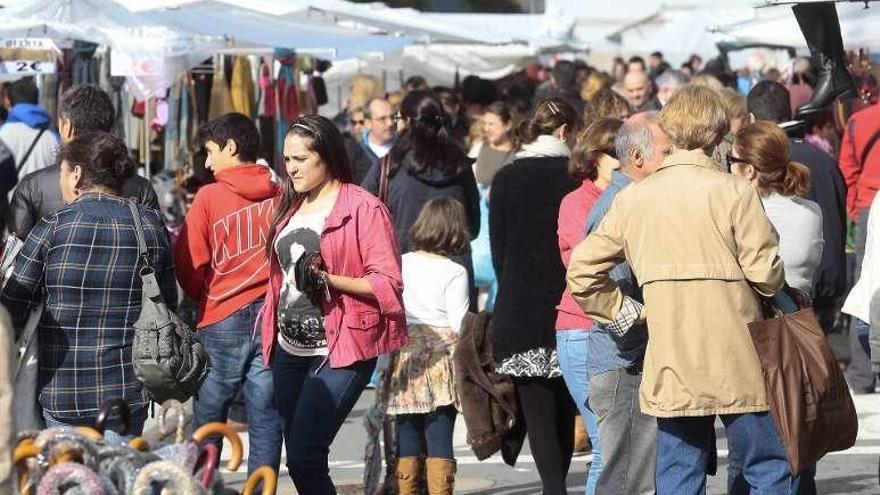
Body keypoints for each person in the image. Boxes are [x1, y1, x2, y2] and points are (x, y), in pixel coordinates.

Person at [568, 86, 792, 494]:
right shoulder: (734, 191)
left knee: (678, 473)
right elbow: (766, 275)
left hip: (671, 355)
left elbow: (581, 272)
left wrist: (626, 313)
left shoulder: (636, 197)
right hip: (737, 352)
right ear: (717, 130)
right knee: (768, 466)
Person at [261, 114, 408, 493]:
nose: (291, 168)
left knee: (304, 455)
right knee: (302, 460)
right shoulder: (290, 206)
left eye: (300, 159)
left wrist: (329, 280)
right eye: (287, 159)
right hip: (289, 351)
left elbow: (388, 283)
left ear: (325, 156)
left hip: (342, 349)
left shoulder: (363, 207)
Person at [1, 131, 176, 443]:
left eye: (63, 172)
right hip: (128, 389)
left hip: (61, 388)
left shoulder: (52, 228)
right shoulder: (149, 226)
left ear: (77, 174)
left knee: (69, 479)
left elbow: (13, 304)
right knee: (120, 478)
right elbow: (168, 304)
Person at [174, 113, 283, 475]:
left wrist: (202, 296)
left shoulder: (210, 196)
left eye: (210, 152)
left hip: (222, 315)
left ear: (231, 147)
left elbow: (189, 262)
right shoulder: (280, 191)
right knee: (266, 414)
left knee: (209, 414)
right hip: (270, 314)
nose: (206, 162)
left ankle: (202, 484)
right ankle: (262, 484)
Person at [490, 97, 581, 495]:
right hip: (570, 304)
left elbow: (498, 252)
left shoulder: (507, 177)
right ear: (564, 131)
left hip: (519, 306)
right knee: (566, 406)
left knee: (539, 413)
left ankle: (553, 489)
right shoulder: (576, 176)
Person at [581, 111, 668, 495]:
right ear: (637, 157)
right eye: (668, 151)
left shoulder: (634, 198)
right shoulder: (619, 204)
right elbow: (600, 283)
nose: (675, 159)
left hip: (628, 361)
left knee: (635, 476)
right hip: (624, 365)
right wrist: (642, 324)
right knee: (627, 481)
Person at [746, 81, 850, 383]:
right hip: (818, 294)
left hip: (780, 303)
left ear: (753, 120)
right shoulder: (825, 162)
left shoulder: (760, 170)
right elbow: (836, 231)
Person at [555, 117, 623, 495]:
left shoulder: (631, 194)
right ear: (594, 156)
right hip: (582, 328)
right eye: (616, 153)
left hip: (621, 329)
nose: (624, 160)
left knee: (621, 447)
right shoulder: (575, 203)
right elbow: (584, 265)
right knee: (607, 448)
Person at [386, 197, 471, 495]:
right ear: (454, 230)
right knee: (440, 435)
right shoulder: (454, 271)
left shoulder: (401, 261)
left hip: (404, 355)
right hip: (440, 360)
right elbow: (460, 324)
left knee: (406, 432)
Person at [362, 90, 480, 300]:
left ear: (407, 121)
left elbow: (362, 223)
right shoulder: (461, 166)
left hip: (404, 283)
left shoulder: (388, 168)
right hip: (455, 283)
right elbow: (473, 227)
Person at [10, 84, 159, 239]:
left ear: (66, 126)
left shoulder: (32, 186)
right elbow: (157, 247)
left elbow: (15, 254)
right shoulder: (141, 188)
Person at [731, 121, 824, 294]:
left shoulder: (742, 215)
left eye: (732, 160)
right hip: (800, 315)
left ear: (749, 171)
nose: (729, 167)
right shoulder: (813, 212)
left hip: (756, 317)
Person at [471, 102, 517, 311]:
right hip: (479, 229)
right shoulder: (478, 149)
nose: (486, 128)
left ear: (507, 125)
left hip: (503, 226)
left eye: (492, 124)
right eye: (485, 123)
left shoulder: (519, 154)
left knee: (497, 287)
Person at [0, 77, 58, 182]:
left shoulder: (2, 135)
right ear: (36, 99)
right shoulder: (53, 138)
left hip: (11, 197)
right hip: (47, 197)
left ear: (8, 100)